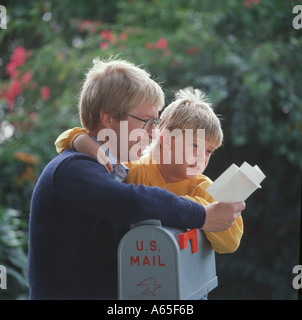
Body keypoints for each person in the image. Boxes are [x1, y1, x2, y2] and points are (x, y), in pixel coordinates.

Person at [28, 57, 245, 300]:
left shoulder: (110, 168)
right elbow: (133, 202)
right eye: (147, 121)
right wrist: (202, 215)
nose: (154, 132)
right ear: (108, 119)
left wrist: (77, 137)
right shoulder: (73, 168)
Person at [56, 87, 243, 254]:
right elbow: (64, 138)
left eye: (209, 151)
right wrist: (79, 139)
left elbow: (231, 243)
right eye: (195, 145)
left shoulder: (203, 189)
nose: (202, 157)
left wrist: (192, 206)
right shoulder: (131, 169)